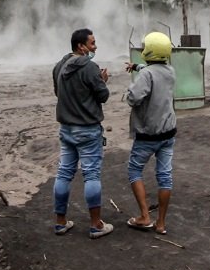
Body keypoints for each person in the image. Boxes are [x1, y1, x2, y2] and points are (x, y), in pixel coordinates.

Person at [52, 27, 114, 239]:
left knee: (64, 173)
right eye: (92, 43)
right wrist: (103, 81)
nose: (95, 47)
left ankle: (60, 222)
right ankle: (96, 224)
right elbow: (103, 96)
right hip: (87, 130)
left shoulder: (58, 66)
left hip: (66, 129)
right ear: (81, 46)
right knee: (91, 175)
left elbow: (57, 93)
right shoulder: (90, 67)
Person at [123, 31, 177, 235]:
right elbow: (152, 71)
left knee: (134, 171)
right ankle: (161, 223)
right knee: (165, 176)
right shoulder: (170, 71)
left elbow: (133, 98)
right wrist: (136, 67)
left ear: (149, 50)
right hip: (168, 132)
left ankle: (145, 217)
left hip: (148, 134)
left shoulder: (146, 75)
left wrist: (132, 83)